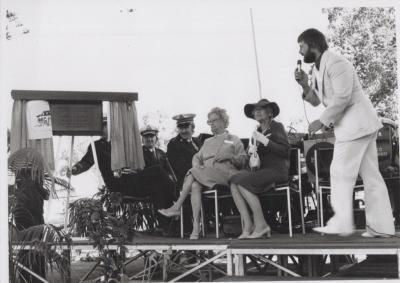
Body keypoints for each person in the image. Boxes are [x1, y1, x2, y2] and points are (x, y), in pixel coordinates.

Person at [294, 28, 395, 237]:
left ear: (312, 44)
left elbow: (342, 98)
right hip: (356, 126)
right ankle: (381, 228)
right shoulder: (316, 69)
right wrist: (304, 84)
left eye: (302, 46)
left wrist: (321, 122)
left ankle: (342, 223)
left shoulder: (337, 63)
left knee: (339, 172)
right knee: (371, 176)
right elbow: (315, 100)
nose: (300, 52)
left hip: (355, 125)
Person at [70, 120, 176, 234]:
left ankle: (165, 228)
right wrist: (75, 169)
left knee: (158, 186)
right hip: (117, 184)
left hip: (132, 180)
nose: (103, 129)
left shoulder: (121, 143)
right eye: (102, 126)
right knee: (157, 170)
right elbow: (86, 162)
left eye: (106, 126)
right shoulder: (97, 146)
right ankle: (177, 199)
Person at [159, 107, 247, 239]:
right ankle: (196, 228)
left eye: (214, 120)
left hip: (225, 176)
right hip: (207, 177)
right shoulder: (207, 141)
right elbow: (197, 156)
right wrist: (196, 162)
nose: (211, 124)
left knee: (193, 172)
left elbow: (243, 161)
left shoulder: (233, 139)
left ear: (224, 121)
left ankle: (176, 206)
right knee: (194, 185)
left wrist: (230, 157)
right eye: (209, 121)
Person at [230, 99, 290, 239]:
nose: (256, 112)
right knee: (233, 182)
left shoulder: (276, 127)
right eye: (255, 110)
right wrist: (251, 152)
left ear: (270, 113)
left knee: (242, 182)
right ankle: (248, 225)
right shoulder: (257, 132)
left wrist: (266, 141)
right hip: (262, 171)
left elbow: (285, 151)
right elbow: (253, 159)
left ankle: (261, 224)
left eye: (260, 109)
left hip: (277, 170)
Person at [167, 114, 203, 234]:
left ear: (192, 127)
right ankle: (194, 226)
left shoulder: (198, 141)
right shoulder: (174, 144)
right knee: (194, 185)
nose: (183, 131)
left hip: (202, 176)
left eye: (186, 127)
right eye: (180, 128)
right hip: (184, 179)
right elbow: (181, 167)